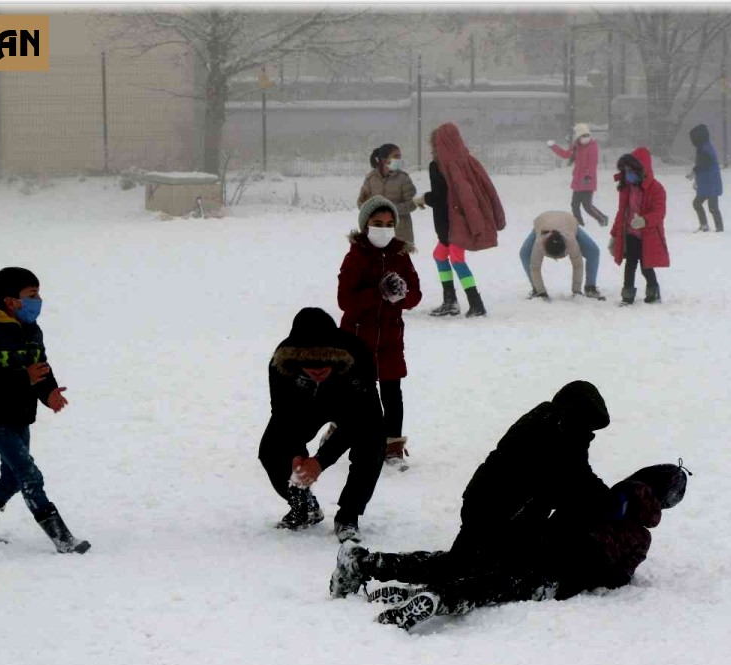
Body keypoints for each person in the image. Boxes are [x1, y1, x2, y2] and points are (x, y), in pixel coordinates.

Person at [327, 384, 692, 630]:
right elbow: (573, 481)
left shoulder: (544, 421)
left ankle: (369, 564)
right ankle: (440, 595)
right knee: (502, 575)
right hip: (508, 511)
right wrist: (607, 504)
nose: (592, 431)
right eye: (591, 424)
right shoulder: (562, 429)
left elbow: (569, 488)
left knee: (466, 563)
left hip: (487, 502)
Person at [0, 266, 89, 554]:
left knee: (12, 476)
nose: (38, 300)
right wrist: (24, 378)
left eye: (38, 293)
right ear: (10, 301)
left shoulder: (31, 330)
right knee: (30, 476)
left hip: (20, 413)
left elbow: (39, 367)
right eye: (32, 295)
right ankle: (62, 539)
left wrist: (49, 392)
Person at [260, 307, 386, 542]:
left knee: (372, 442)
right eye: (309, 362)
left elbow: (360, 418)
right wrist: (296, 454)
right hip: (305, 406)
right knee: (271, 449)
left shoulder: (357, 354)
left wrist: (320, 461)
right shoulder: (280, 363)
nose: (317, 369)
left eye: (324, 361)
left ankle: (348, 515)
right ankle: (304, 507)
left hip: (352, 406)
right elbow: (282, 415)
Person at [338, 196, 423, 470]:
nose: (384, 229)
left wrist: (401, 296)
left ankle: (393, 445)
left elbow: (415, 295)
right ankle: (343, 433)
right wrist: (378, 292)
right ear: (366, 226)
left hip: (390, 338)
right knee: (358, 394)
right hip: (358, 338)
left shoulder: (401, 254)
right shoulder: (355, 256)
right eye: (377, 223)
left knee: (392, 392)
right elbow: (346, 302)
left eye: (389, 224)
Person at [412, 122, 506, 318]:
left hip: (450, 223)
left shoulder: (438, 166)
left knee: (456, 259)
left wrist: (423, 199)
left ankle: (475, 304)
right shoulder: (468, 162)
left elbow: (440, 198)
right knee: (440, 255)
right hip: (464, 219)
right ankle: (450, 301)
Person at [609, 148, 669, 305]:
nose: (628, 174)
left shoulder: (656, 189)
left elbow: (659, 212)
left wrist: (644, 220)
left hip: (647, 236)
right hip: (631, 234)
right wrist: (614, 235)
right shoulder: (627, 188)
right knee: (630, 265)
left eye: (631, 171)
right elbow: (621, 213)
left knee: (646, 266)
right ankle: (627, 295)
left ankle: (653, 291)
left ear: (641, 170)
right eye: (626, 170)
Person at [519, 210, 605, 301]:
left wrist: (577, 291)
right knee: (524, 254)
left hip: (568, 223)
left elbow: (578, 265)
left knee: (594, 251)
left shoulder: (571, 241)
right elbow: (534, 267)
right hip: (543, 223)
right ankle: (537, 289)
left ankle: (590, 287)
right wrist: (541, 292)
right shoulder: (539, 243)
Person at [356, 143, 419, 249]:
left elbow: (412, 204)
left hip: (400, 234)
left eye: (400, 156)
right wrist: (371, 212)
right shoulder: (371, 178)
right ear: (384, 159)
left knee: (398, 265)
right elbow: (361, 201)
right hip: (376, 233)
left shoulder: (403, 178)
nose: (399, 159)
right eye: (396, 156)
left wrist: (389, 210)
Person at [546, 122, 608, 228]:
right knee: (574, 205)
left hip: (588, 180)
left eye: (587, 136)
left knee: (587, 206)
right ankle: (579, 223)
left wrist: (587, 176)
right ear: (578, 137)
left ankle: (602, 219)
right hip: (578, 181)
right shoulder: (576, 146)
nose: (585, 138)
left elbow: (592, 164)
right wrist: (554, 147)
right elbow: (566, 154)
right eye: (583, 136)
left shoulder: (592, 147)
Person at [685, 123, 724, 233]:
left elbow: (704, 164)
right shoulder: (703, 147)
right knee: (697, 204)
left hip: (711, 183)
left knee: (713, 208)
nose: (691, 141)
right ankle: (704, 225)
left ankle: (719, 229)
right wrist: (697, 178)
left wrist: (694, 172)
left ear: (698, 137)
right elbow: (702, 165)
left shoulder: (705, 148)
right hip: (706, 183)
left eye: (692, 138)